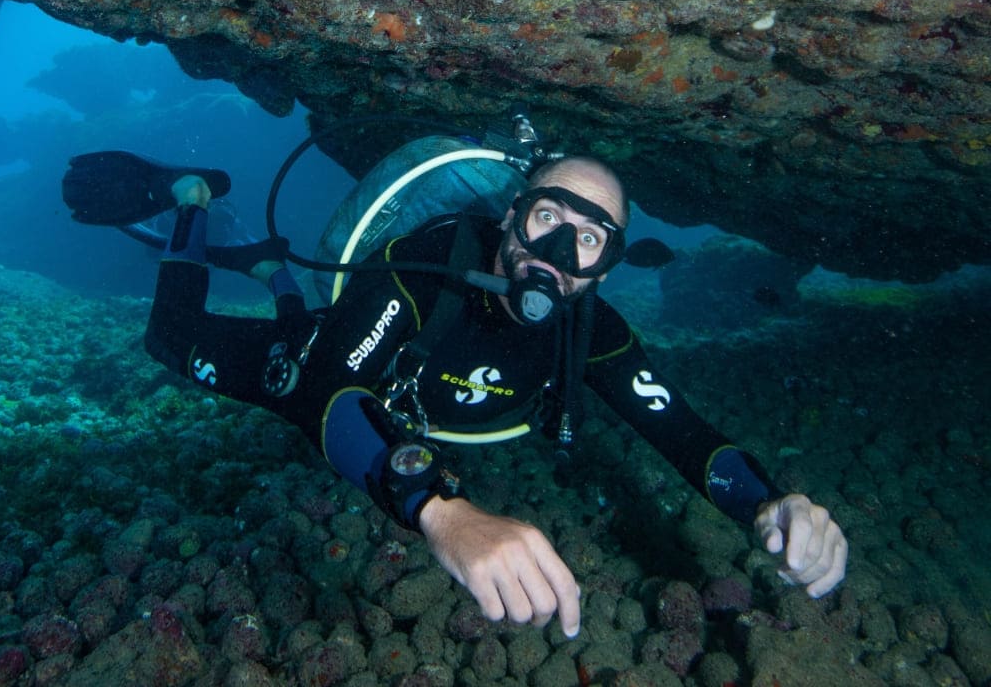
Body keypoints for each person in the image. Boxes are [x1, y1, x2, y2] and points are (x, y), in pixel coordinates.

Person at [142, 154, 848, 639]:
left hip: (394, 397)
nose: (559, 256)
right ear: (514, 215)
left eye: (590, 239)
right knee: (170, 338)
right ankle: (193, 199)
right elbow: (329, 394)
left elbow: (685, 434)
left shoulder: (589, 331)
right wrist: (441, 510)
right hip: (329, 361)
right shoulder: (428, 269)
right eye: (549, 219)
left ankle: (273, 275)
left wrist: (764, 503)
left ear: (605, 268)